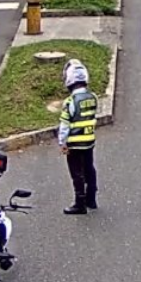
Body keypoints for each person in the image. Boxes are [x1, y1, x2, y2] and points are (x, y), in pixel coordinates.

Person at [58, 60, 98, 215]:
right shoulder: (93, 97)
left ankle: (79, 203)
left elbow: (64, 125)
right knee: (89, 168)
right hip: (89, 141)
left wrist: (62, 143)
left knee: (77, 173)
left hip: (74, 144)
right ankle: (91, 199)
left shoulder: (70, 102)